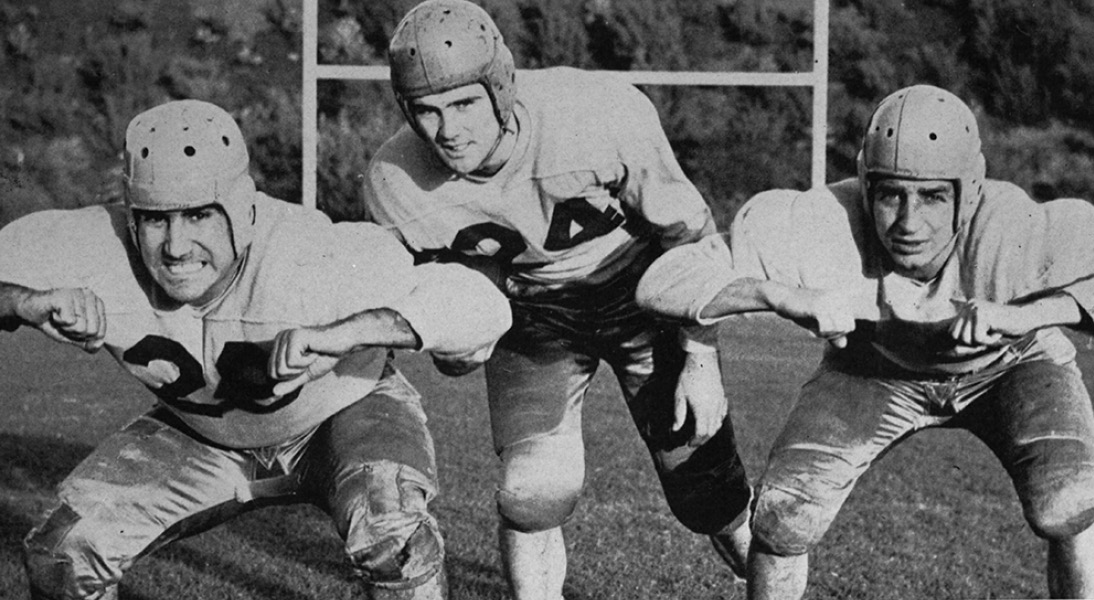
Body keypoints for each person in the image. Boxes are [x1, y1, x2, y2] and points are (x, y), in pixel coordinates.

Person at [4, 99, 512, 600]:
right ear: (131, 215)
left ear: (242, 208)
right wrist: (24, 302)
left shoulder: (307, 254)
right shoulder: (96, 243)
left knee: (392, 536)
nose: (177, 247)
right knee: (65, 553)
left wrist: (351, 333)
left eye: (199, 215)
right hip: (205, 434)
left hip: (342, 414)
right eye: (157, 220)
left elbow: (480, 305)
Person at [636, 84, 1094, 599]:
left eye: (932, 196)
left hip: (1011, 367)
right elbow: (663, 280)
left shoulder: (1014, 228)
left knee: (1069, 502)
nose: (907, 221)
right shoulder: (827, 221)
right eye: (890, 194)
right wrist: (775, 295)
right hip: (873, 371)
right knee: (783, 519)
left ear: (969, 193)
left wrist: (1031, 313)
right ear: (865, 184)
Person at [362, 1, 753, 597]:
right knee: (532, 494)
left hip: (641, 292)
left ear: (499, 87)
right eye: (427, 111)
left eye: (464, 103)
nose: (449, 130)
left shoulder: (595, 113)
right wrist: (458, 336)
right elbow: (441, 304)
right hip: (532, 316)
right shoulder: (396, 180)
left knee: (708, 494)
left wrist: (701, 356)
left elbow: (691, 238)